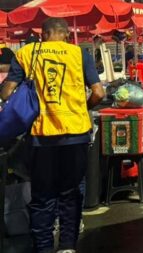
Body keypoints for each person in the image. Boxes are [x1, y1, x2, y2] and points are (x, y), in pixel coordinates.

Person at [1, 17, 105, 253]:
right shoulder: (79, 54)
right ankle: (67, 246)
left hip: (41, 136)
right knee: (71, 192)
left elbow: (7, 93)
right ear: (67, 35)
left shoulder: (27, 53)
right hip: (76, 134)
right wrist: (82, 108)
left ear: (42, 35)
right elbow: (99, 93)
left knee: (42, 195)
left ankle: (44, 247)